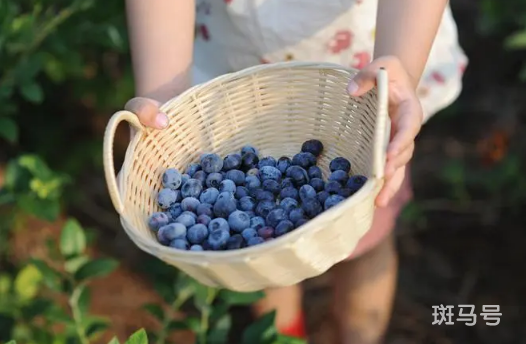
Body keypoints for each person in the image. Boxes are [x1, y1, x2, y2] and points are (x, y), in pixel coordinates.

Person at [122, 0, 467, 343]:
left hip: (364, 74)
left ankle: (357, 335)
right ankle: (286, 336)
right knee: (262, 261)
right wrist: (165, 99)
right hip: (234, 75)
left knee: (367, 237)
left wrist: (400, 66)